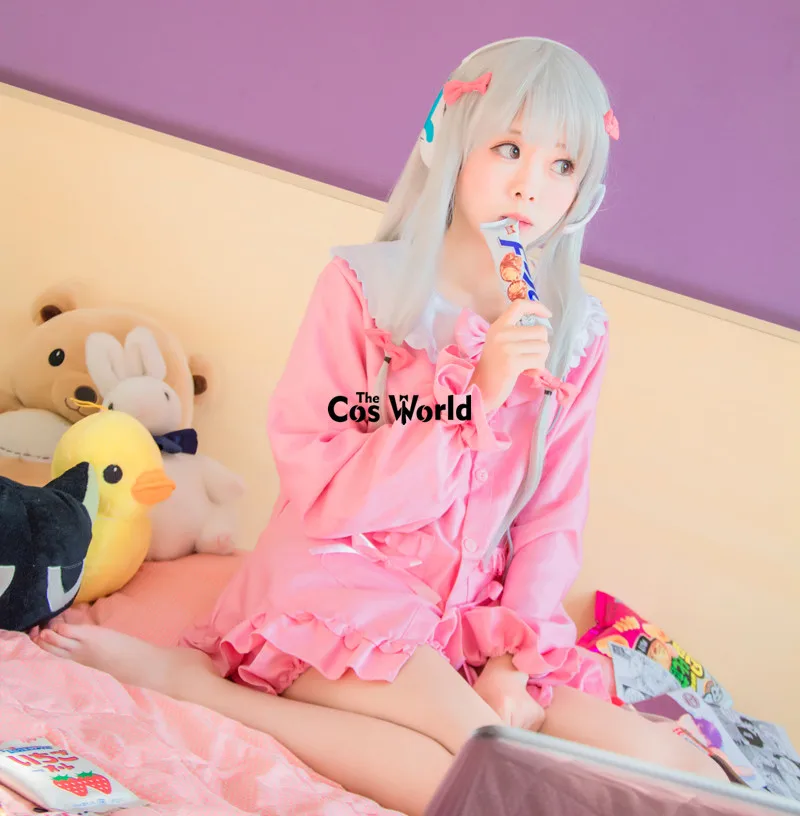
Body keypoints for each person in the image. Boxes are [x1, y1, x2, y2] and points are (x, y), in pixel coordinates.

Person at [35, 37, 728, 816]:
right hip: (340, 579)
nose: (530, 187)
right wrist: (476, 396)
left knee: (671, 769)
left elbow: (551, 517)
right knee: (481, 763)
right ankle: (205, 689)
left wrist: (512, 657)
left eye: (562, 165)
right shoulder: (364, 292)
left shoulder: (576, 332)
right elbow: (328, 487)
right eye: (508, 149)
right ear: (452, 142)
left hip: (469, 614)